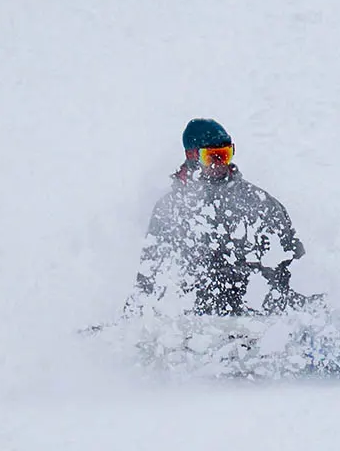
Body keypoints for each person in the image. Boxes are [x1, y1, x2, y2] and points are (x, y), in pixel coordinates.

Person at [125, 119, 308, 317]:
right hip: (192, 326)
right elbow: (151, 272)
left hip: (249, 321)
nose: (221, 163)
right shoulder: (170, 209)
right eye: (213, 156)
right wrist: (134, 319)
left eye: (226, 154)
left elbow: (293, 264)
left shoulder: (259, 203)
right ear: (192, 155)